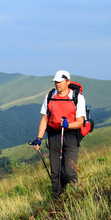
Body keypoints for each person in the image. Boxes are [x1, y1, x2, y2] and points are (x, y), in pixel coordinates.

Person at [32, 70, 86, 199]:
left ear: (68, 82)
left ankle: (75, 195)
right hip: (54, 134)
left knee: (69, 170)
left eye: (60, 82)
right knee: (55, 171)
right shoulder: (50, 96)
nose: (57, 84)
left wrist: (68, 125)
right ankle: (58, 198)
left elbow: (80, 122)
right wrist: (39, 138)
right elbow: (45, 118)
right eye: (56, 82)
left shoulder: (77, 97)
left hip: (71, 135)